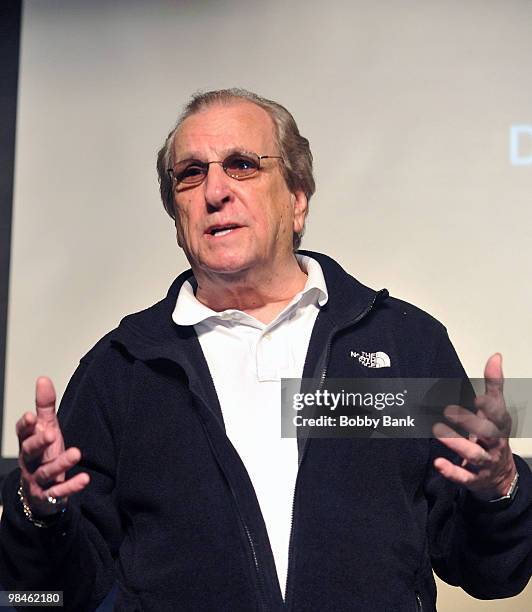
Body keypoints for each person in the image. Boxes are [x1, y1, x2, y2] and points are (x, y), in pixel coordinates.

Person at [1, 89, 530, 612]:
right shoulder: (122, 369)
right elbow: (49, 597)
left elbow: (491, 574)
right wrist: (39, 512)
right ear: (176, 213)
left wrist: (500, 488)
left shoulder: (403, 344)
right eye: (190, 173)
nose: (214, 191)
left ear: (297, 199)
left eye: (242, 165)